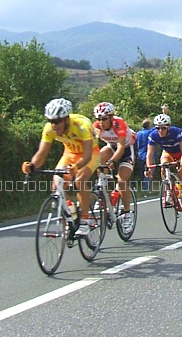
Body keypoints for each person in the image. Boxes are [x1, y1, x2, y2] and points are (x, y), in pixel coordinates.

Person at [22, 98, 100, 236]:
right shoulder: (49, 129)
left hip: (90, 154)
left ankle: (85, 220)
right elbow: (41, 153)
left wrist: (77, 167)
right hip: (69, 153)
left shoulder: (82, 125)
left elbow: (87, 155)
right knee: (57, 186)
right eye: (51, 121)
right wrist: (32, 165)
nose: (54, 125)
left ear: (66, 119)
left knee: (80, 180)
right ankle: (72, 213)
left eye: (57, 121)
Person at [92, 102, 136, 230]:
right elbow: (91, 146)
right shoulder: (96, 127)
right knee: (98, 157)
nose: (101, 122)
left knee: (122, 181)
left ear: (111, 117)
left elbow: (121, 147)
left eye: (104, 119)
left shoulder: (119, 123)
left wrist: (112, 161)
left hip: (127, 149)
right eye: (98, 119)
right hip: (112, 147)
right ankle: (102, 190)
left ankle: (127, 214)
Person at [144, 113, 182, 213]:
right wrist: (148, 168)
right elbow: (149, 153)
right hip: (168, 153)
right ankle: (168, 191)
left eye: (163, 128)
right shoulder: (153, 135)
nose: (160, 131)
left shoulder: (176, 132)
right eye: (158, 128)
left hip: (180, 153)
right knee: (163, 166)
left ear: (168, 127)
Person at [136, 119, 153, 192]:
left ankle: (142, 189)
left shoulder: (138, 133)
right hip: (149, 155)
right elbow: (158, 127)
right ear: (148, 125)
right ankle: (146, 189)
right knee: (149, 172)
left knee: (142, 172)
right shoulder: (150, 132)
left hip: (140, 155)